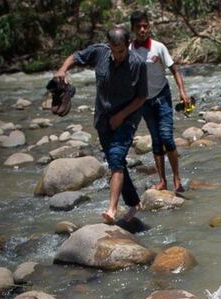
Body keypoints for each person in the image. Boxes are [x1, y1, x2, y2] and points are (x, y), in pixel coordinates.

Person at [54, 26, 147, 225]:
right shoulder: (100, 52)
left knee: (116, 159)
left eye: (121, 51)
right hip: (103, 118)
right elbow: (76, 57)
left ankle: (111, 209)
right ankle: (134, 203)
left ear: (128, 45)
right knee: (116, 162)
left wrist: (121, 116)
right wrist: (62, 70)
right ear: (108, 46)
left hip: (127, 119)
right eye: (114, 50)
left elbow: (141, 97)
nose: (117, 55)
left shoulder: (138, 64)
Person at [130, 10, 191, 193]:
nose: (142, 30)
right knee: (156, 141)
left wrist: (182, 92)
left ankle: (176, 178)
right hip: (144, 100)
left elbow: (174, 70)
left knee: (167, 138)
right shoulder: (129, 50)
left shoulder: (158, 47)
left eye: (145, 26)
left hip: (162, 96)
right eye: (139, 27)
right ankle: (162, 181)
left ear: (149, 27)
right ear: (133, 29)